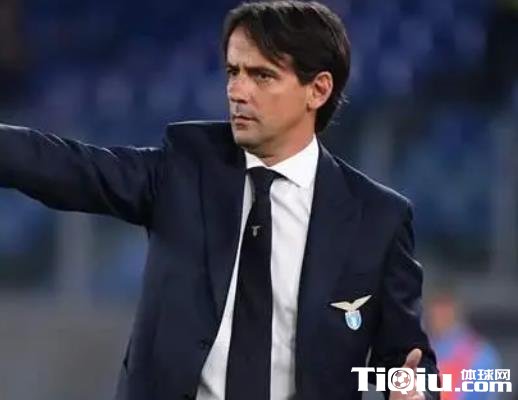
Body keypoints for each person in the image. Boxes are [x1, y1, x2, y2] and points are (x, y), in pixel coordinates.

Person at [0, 1, 439, 399]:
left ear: (318, 89)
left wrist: (414, 394)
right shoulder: (187, 166)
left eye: (262, 75)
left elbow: (410, 364)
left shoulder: (377, 218)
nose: (237, 91)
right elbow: (71, 167)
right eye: (233, 71)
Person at [427, 288, 501, 400]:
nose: (439, 315)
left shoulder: (480, 355)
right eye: (436, 309)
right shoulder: (417, 348)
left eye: (445, 309)